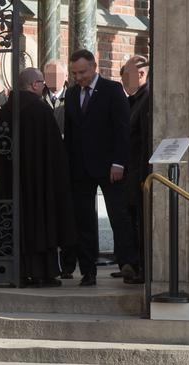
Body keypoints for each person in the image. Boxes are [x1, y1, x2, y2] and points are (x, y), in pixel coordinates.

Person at [63, 49, 139, 287]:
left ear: (94, 67)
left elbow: (122, 130)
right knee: (84, 220)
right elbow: (72, 133)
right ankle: (88, 271)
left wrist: (119, 162)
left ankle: (129, 264)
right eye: (75, 73)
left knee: (119, 216)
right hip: (81, 168)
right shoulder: (73, 94)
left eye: (83, 72)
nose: (79, 77)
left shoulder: (112, 90)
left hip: (110, 167)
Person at [0, 68, 76, 287]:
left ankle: (20, 272)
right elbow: (55, 152)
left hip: (13, 183)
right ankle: (43, 272)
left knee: (19, 225)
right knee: (41, 224)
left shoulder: (5, 110)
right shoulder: (40, 109)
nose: (44, 86)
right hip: (40, 183)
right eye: (42, 82)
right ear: (34, 85)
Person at [120, 55, 151, 284]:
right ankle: (135, 263)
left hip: (140, 173)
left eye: (126, 76)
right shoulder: (134, 99)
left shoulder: (147, 98)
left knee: (142, 221)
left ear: (141, 74)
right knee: (131, 220)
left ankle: (144, 268)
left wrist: (143, 176)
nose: (123, 82)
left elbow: (145, 141)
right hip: (131, 172)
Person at [42, 59, 69, 136]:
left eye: (59, 75)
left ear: (66, 76)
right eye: (50, 75)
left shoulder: (73, 98)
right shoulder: (38, 98)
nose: (54, 78)